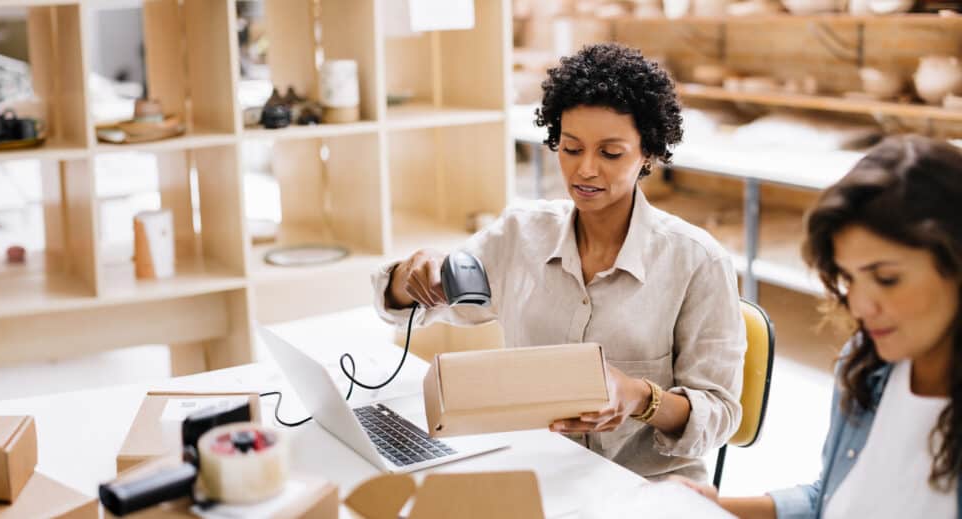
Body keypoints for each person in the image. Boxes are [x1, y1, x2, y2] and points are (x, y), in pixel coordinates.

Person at [372, 43, 745, 481]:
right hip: (536, 470)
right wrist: (410, 274)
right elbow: (410, 306)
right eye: (570, 149)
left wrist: (642, 399)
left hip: (646, 486)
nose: (585, 170)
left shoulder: (697, 261)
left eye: (610, 153)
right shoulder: (520, 234)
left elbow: (720, 414)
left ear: (648, 153)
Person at [674, 135, 962, 517]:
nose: (859, 306)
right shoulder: (866, 364)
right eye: (848, 279)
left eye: (887, 279)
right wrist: (715, 508)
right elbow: (833, 499)